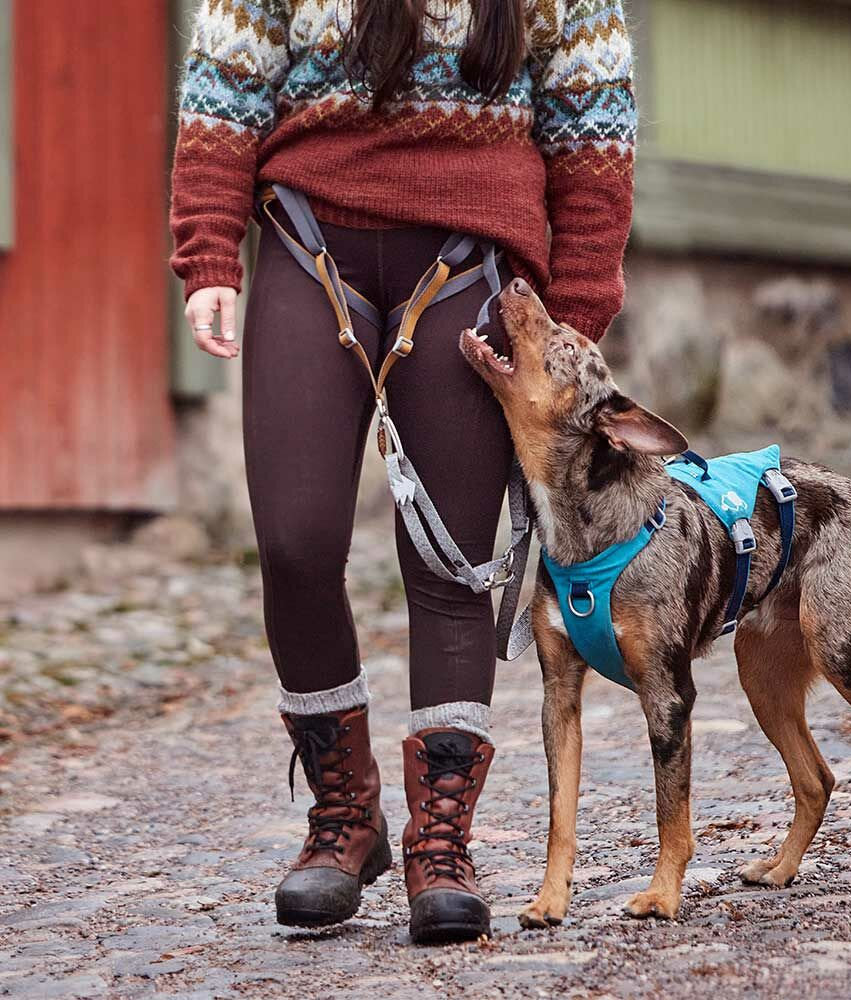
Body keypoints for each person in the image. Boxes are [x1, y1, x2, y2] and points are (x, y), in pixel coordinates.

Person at [170, 0, 636, 943]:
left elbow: (594, 127)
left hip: (472, 261)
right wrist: (210, 248)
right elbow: (224, 82)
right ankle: (346, 818)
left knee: (455, 561)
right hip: (310, 238)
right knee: (296, 545)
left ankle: (441, 841)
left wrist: (573, 313)